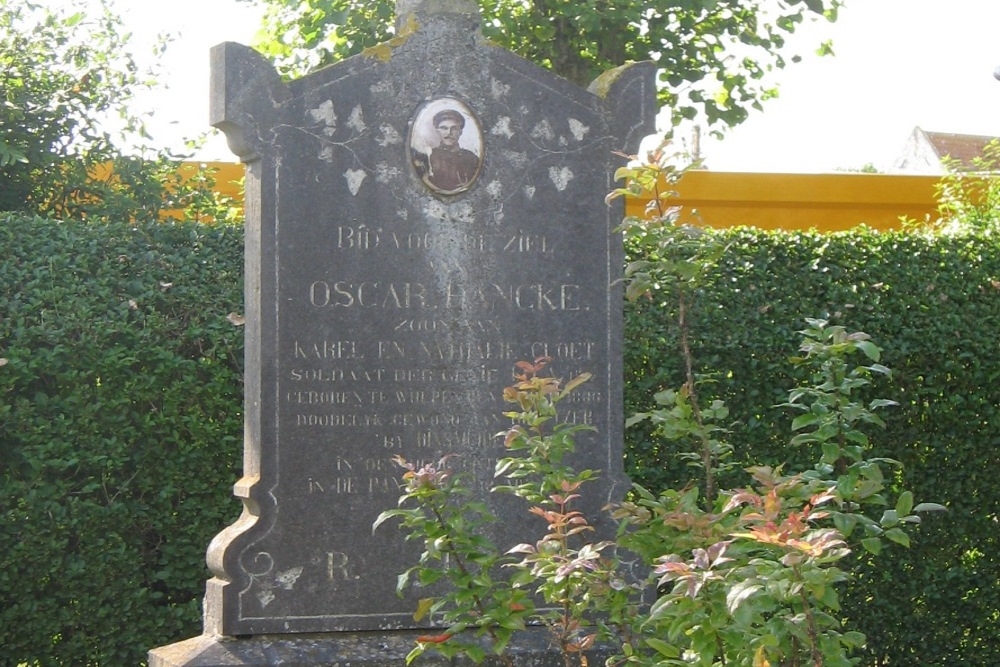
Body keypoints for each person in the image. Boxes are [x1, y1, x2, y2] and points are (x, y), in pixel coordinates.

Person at [423, 109, 479, 192]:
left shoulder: (471, 159)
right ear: (437, 131)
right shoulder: (428, 157)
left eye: (454, 128)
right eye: (444, 128)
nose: (449, 133)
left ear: (460, 132)